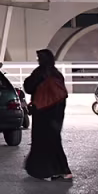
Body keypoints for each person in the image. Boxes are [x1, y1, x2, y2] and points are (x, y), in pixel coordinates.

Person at [23, 49, 72, 181]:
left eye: (39, 58)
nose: (38, 60)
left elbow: (28, 87)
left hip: (42, 111)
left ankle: (44, 170)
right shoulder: (57, 74)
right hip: (57, 112)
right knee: (55, 139)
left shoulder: (40, 72)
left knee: (41, 141)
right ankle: (62, 170)